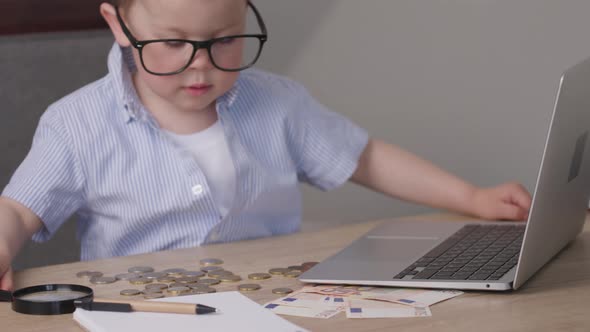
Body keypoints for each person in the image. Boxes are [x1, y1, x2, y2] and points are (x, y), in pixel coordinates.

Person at [0, 0, 531, 291]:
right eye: (173, 44)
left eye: (224, 39)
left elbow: (364, 156)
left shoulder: (277, 102)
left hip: (266, 299)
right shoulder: (76, 123)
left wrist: (472, 198)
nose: (200, 65)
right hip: (138, 309)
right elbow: (19, 210)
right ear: (119, 23)